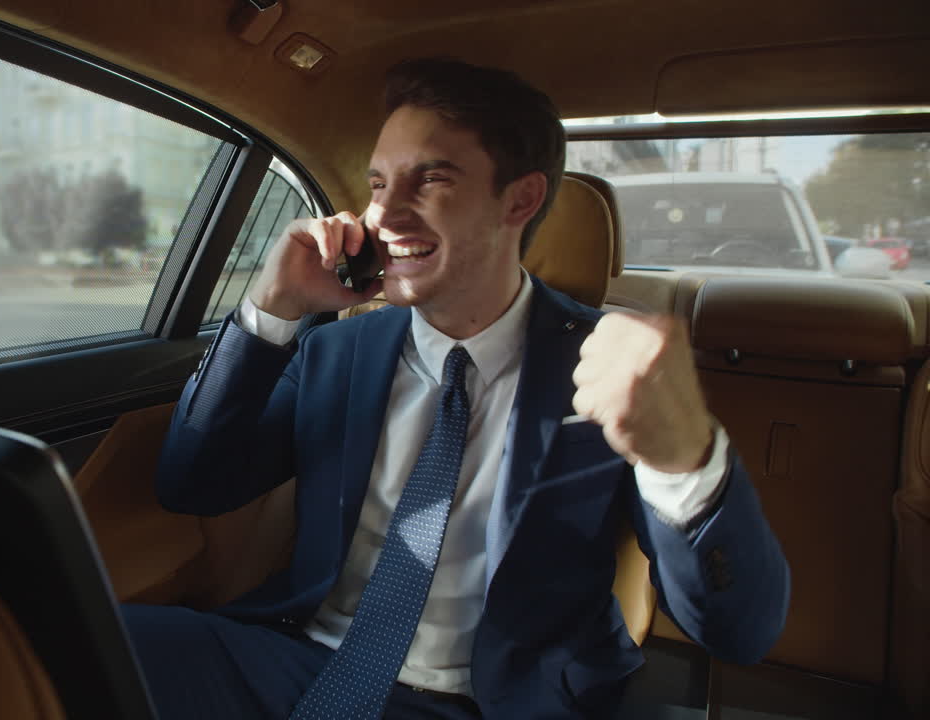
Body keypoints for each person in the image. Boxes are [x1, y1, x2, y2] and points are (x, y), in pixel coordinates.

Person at [124, 58, 790, 719]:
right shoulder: (335, 350)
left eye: (432, 179)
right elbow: (192, 486)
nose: (384, 213)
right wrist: (271, 309)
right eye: (378, 182)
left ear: (520, 200)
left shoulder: (611, 370)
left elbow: (738, 632)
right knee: (68, 636)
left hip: (498, 703)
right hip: (297, 661)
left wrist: (686, 461)